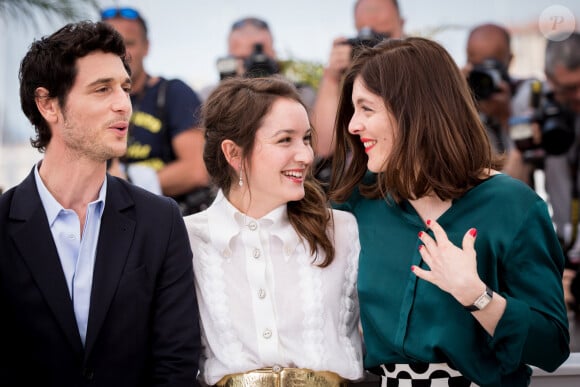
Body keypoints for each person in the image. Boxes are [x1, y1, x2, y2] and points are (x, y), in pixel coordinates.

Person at [328, 37, 570, 386]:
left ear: (413, 110)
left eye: (367, 109)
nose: (353, 125)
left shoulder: (514, 207)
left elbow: (551, 348)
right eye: (353, 110)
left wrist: (477, 296)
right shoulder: (355, 202)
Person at [0, 21, 201, 386]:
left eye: (125, 88)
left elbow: (176, 365)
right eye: (102, 89)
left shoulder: (161, 221)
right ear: (48, 105)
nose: (123, 104)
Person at [185, 76, 363, 386]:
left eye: (306, 139)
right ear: (234, 153)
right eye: (285, 140)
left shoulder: (342, 229)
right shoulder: (187, 238)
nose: (306, 156)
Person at [101, 6, 212, 215]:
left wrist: (127, 184)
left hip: (167, 220)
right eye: (110, 46)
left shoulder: (173, 93)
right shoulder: (88, 102)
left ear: (147, 46)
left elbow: (197, 170)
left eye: (129, 43)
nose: (121, 53)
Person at [311, 0, 404, 159]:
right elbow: (323, 146)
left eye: (384, 36)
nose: (375, 47)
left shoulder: (422, 66)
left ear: (401, 24)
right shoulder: (350, 74)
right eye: (365, 38)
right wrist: (332, 78)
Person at [464, 23, 536, 185]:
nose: (483, 75)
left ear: (509, 60)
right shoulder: (462, 100)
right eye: (475, 64)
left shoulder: (527, 94)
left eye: (490, 65)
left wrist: (506, 117)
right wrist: (462, 103)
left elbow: (529, 162)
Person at [538, 33, 580, 313]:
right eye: (568, 88)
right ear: (549, 79)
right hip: (567, 262)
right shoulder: (536, 109)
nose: (578, 96)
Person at [201, 16, 316, 109]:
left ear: (274, 54)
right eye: (242, 58)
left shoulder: (301, 93)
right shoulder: (208, 97)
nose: (251, 67)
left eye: (260, 57)